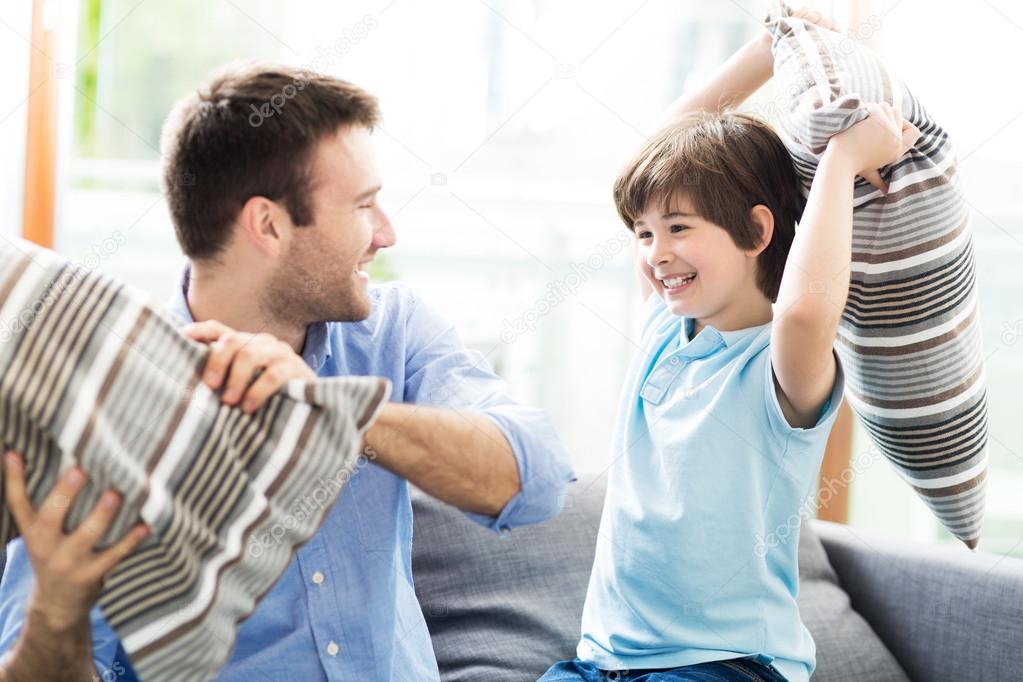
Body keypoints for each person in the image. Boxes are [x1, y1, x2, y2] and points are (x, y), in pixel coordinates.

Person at [0, 63, 575, 681]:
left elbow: (537, 480)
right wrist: (58, 615)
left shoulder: (393, 331)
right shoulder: (101, 399)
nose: (387, 233)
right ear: (268, 225)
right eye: (363, 205)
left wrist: (327, 409)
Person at [539, 10, 919, 682]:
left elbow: (806, 309)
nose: (656, 254)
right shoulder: (666, 327)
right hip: (603, 663)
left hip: (725, 666)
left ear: (756, 231)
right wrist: (768, 51)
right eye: (644, 235)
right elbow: (644, 164)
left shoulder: (779, 363)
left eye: (678, 228)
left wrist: (842, 159)